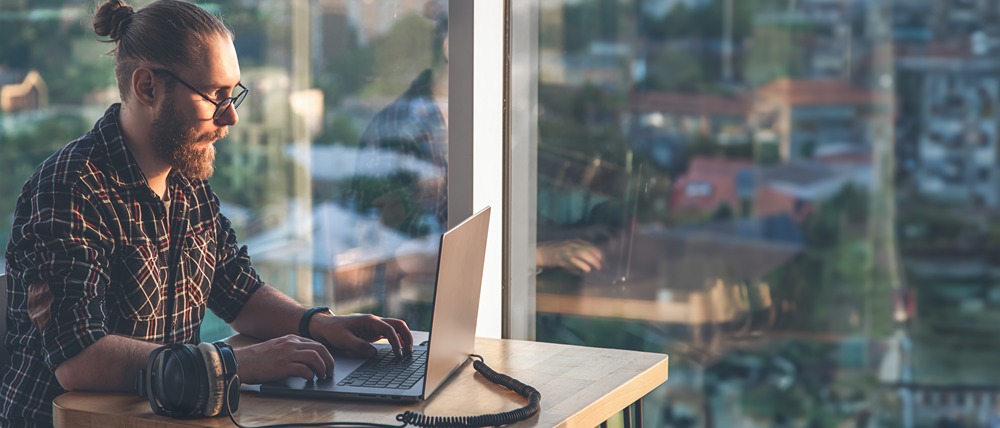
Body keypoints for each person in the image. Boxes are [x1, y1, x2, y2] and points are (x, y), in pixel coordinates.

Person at [1, 1, 412, 426]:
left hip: (164, 417)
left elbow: (237, 289)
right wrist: (234, 363)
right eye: (214, 95)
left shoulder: (186, 179)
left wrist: (317, 323)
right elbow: (79, 360)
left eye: (233, 94)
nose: (230, 115)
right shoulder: (71, 187)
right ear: (147, 88)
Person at [345, 0, 604, 310]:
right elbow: (396, 255)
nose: (512, 62)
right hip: (422, 321)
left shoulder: (483, 120)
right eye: (504, 46)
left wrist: (580, 233)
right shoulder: (402, 128)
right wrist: (536, 254)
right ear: (452, 46)